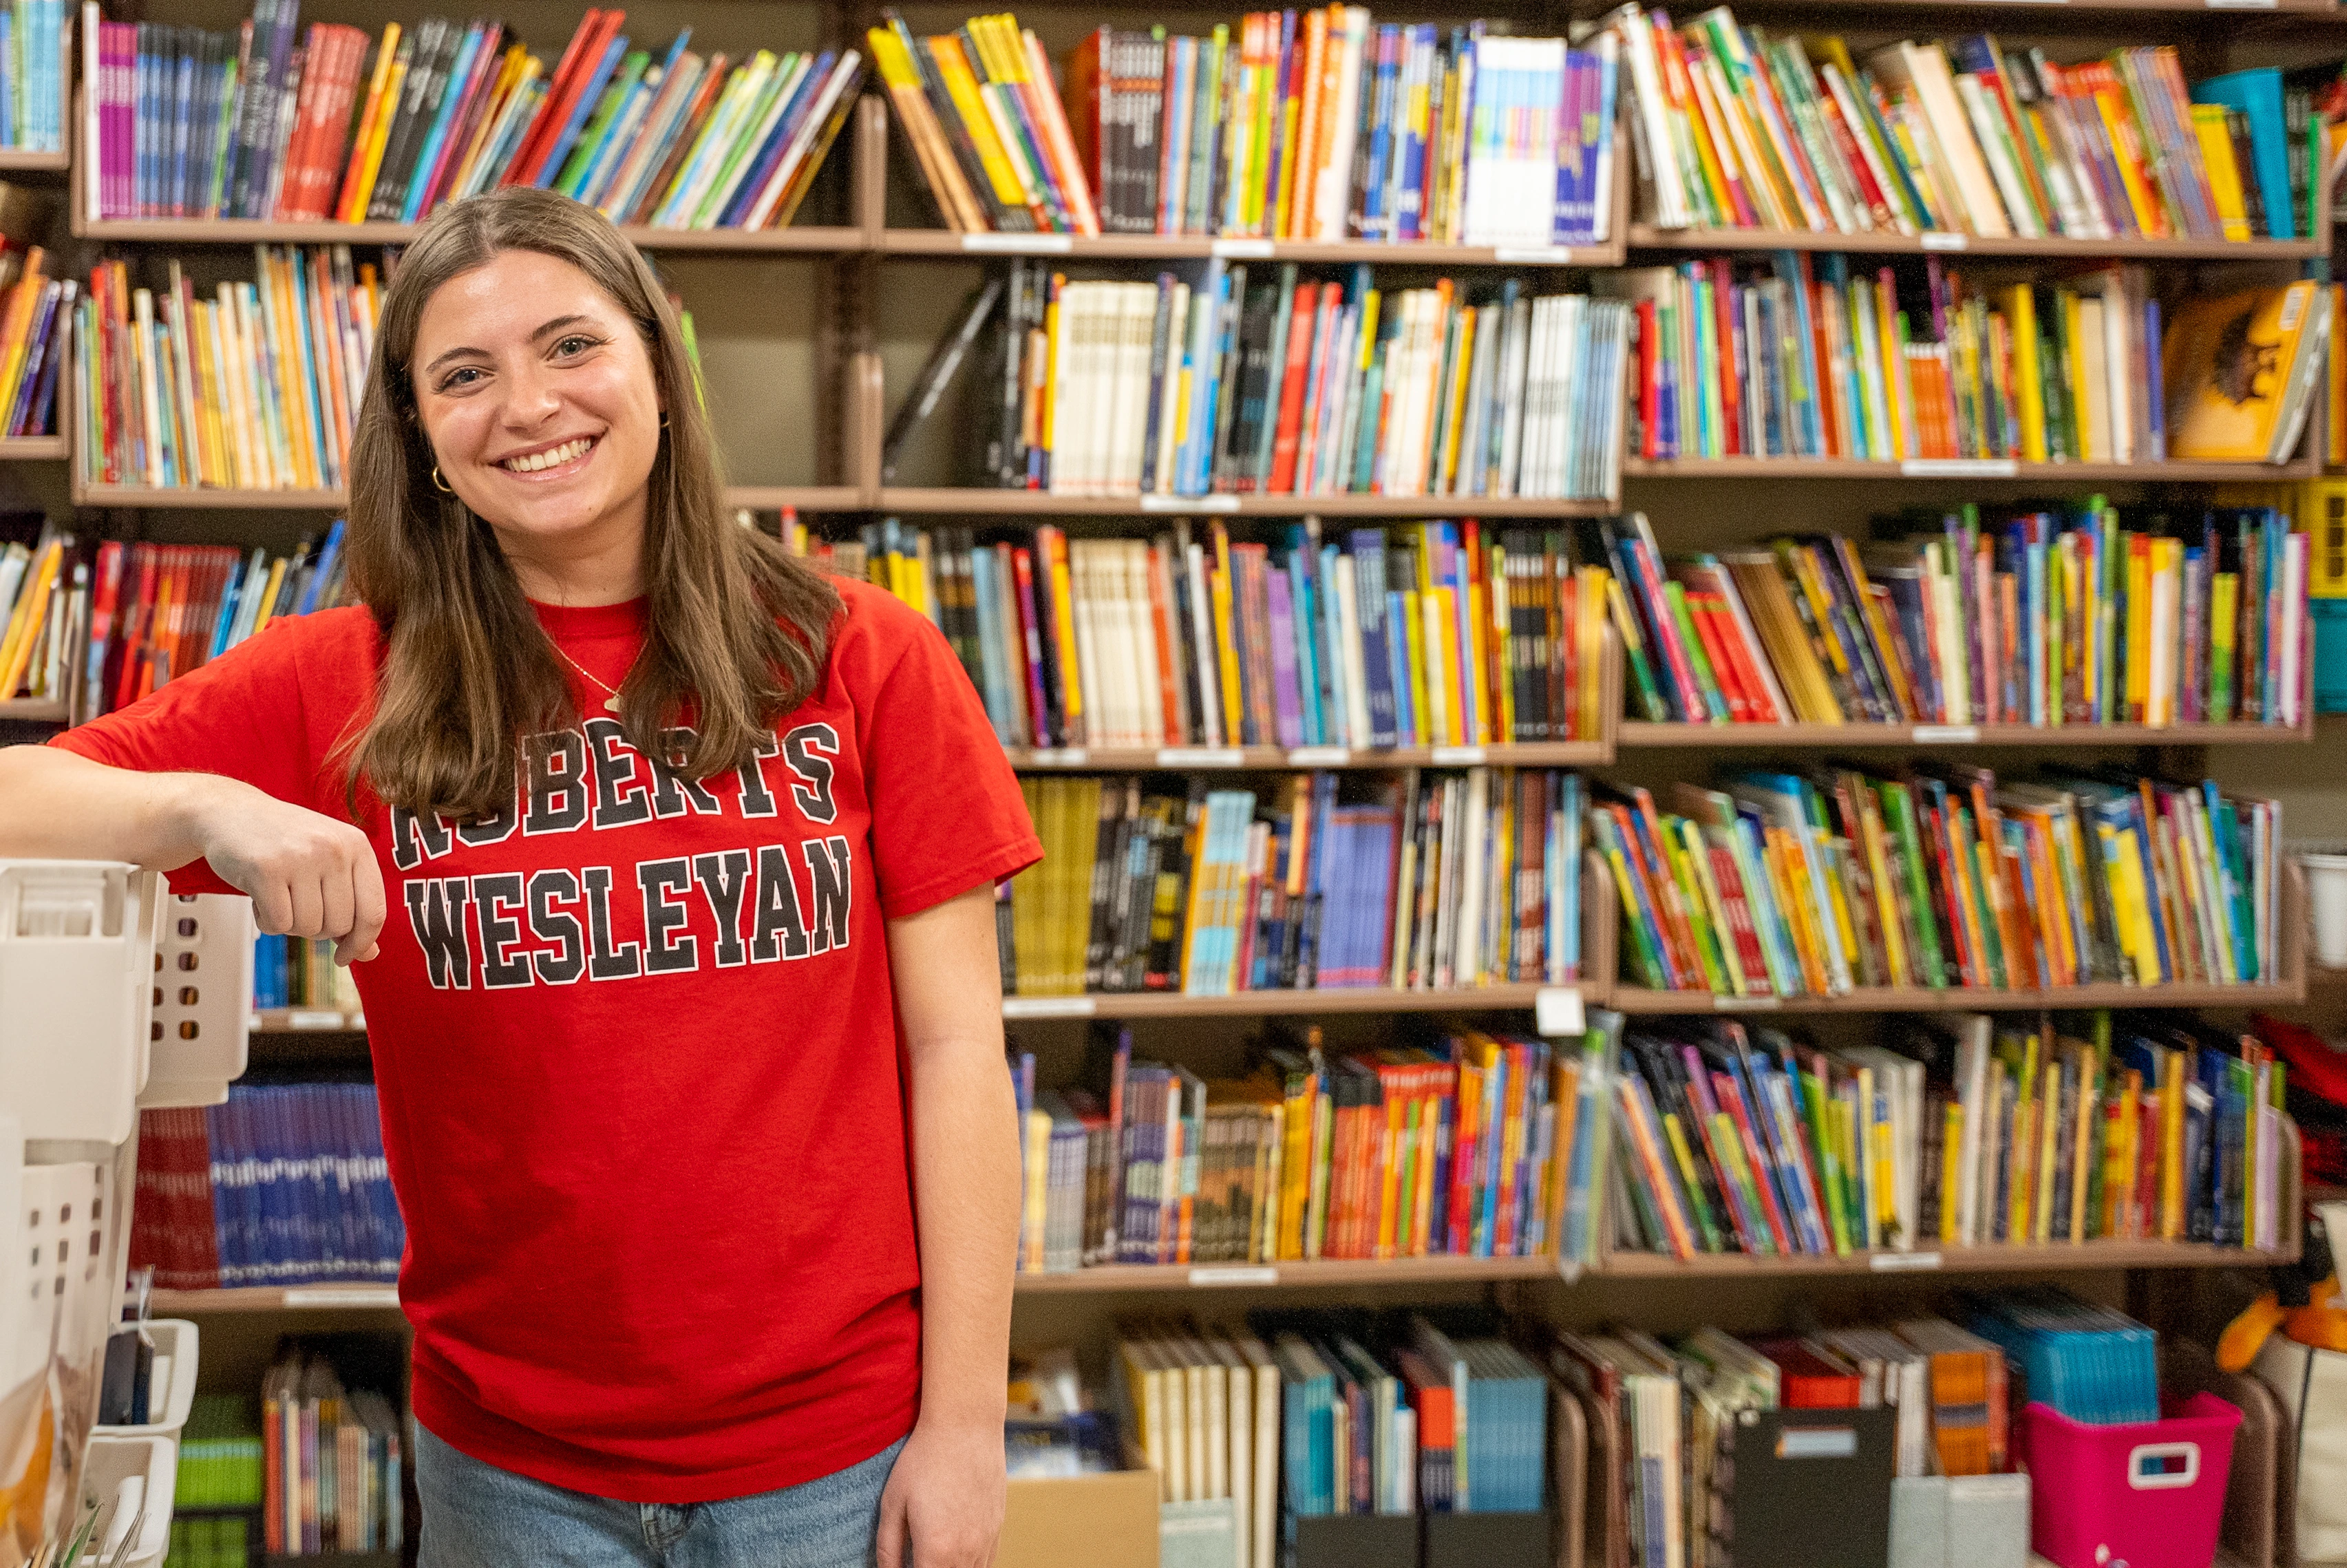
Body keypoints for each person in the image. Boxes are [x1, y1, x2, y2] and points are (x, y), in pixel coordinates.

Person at [0, 187, 1038, 1568]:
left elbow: (958, 1045)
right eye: (464, 375)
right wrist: (207, 802)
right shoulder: (342, 680)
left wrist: (967, 1425)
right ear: (423, 435)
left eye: (568, 345)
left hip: (835, 1451)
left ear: (660, 362)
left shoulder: (865, 657)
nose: (528, 405)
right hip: (512, 1469)